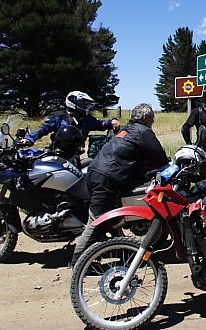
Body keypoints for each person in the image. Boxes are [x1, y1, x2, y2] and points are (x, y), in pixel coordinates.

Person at [70, 103, 169, 267]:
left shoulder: (125, 129)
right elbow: (159, 158)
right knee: (96, 222)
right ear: (145, 117)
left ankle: (115, 250)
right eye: (152, 117)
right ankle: (77, 263)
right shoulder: (143, 131)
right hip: (107, 178)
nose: (153, 120)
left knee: (108, 217)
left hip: (95, 172)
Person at [20, 91, 121, 147]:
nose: (85, 106)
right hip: (56, 153)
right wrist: (29, 139)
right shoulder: (59, 116)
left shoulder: (87, 119)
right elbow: (43, 129)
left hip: (75, 155)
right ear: (73, 102)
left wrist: (112, 121)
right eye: (83, 103)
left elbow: (101, 125)